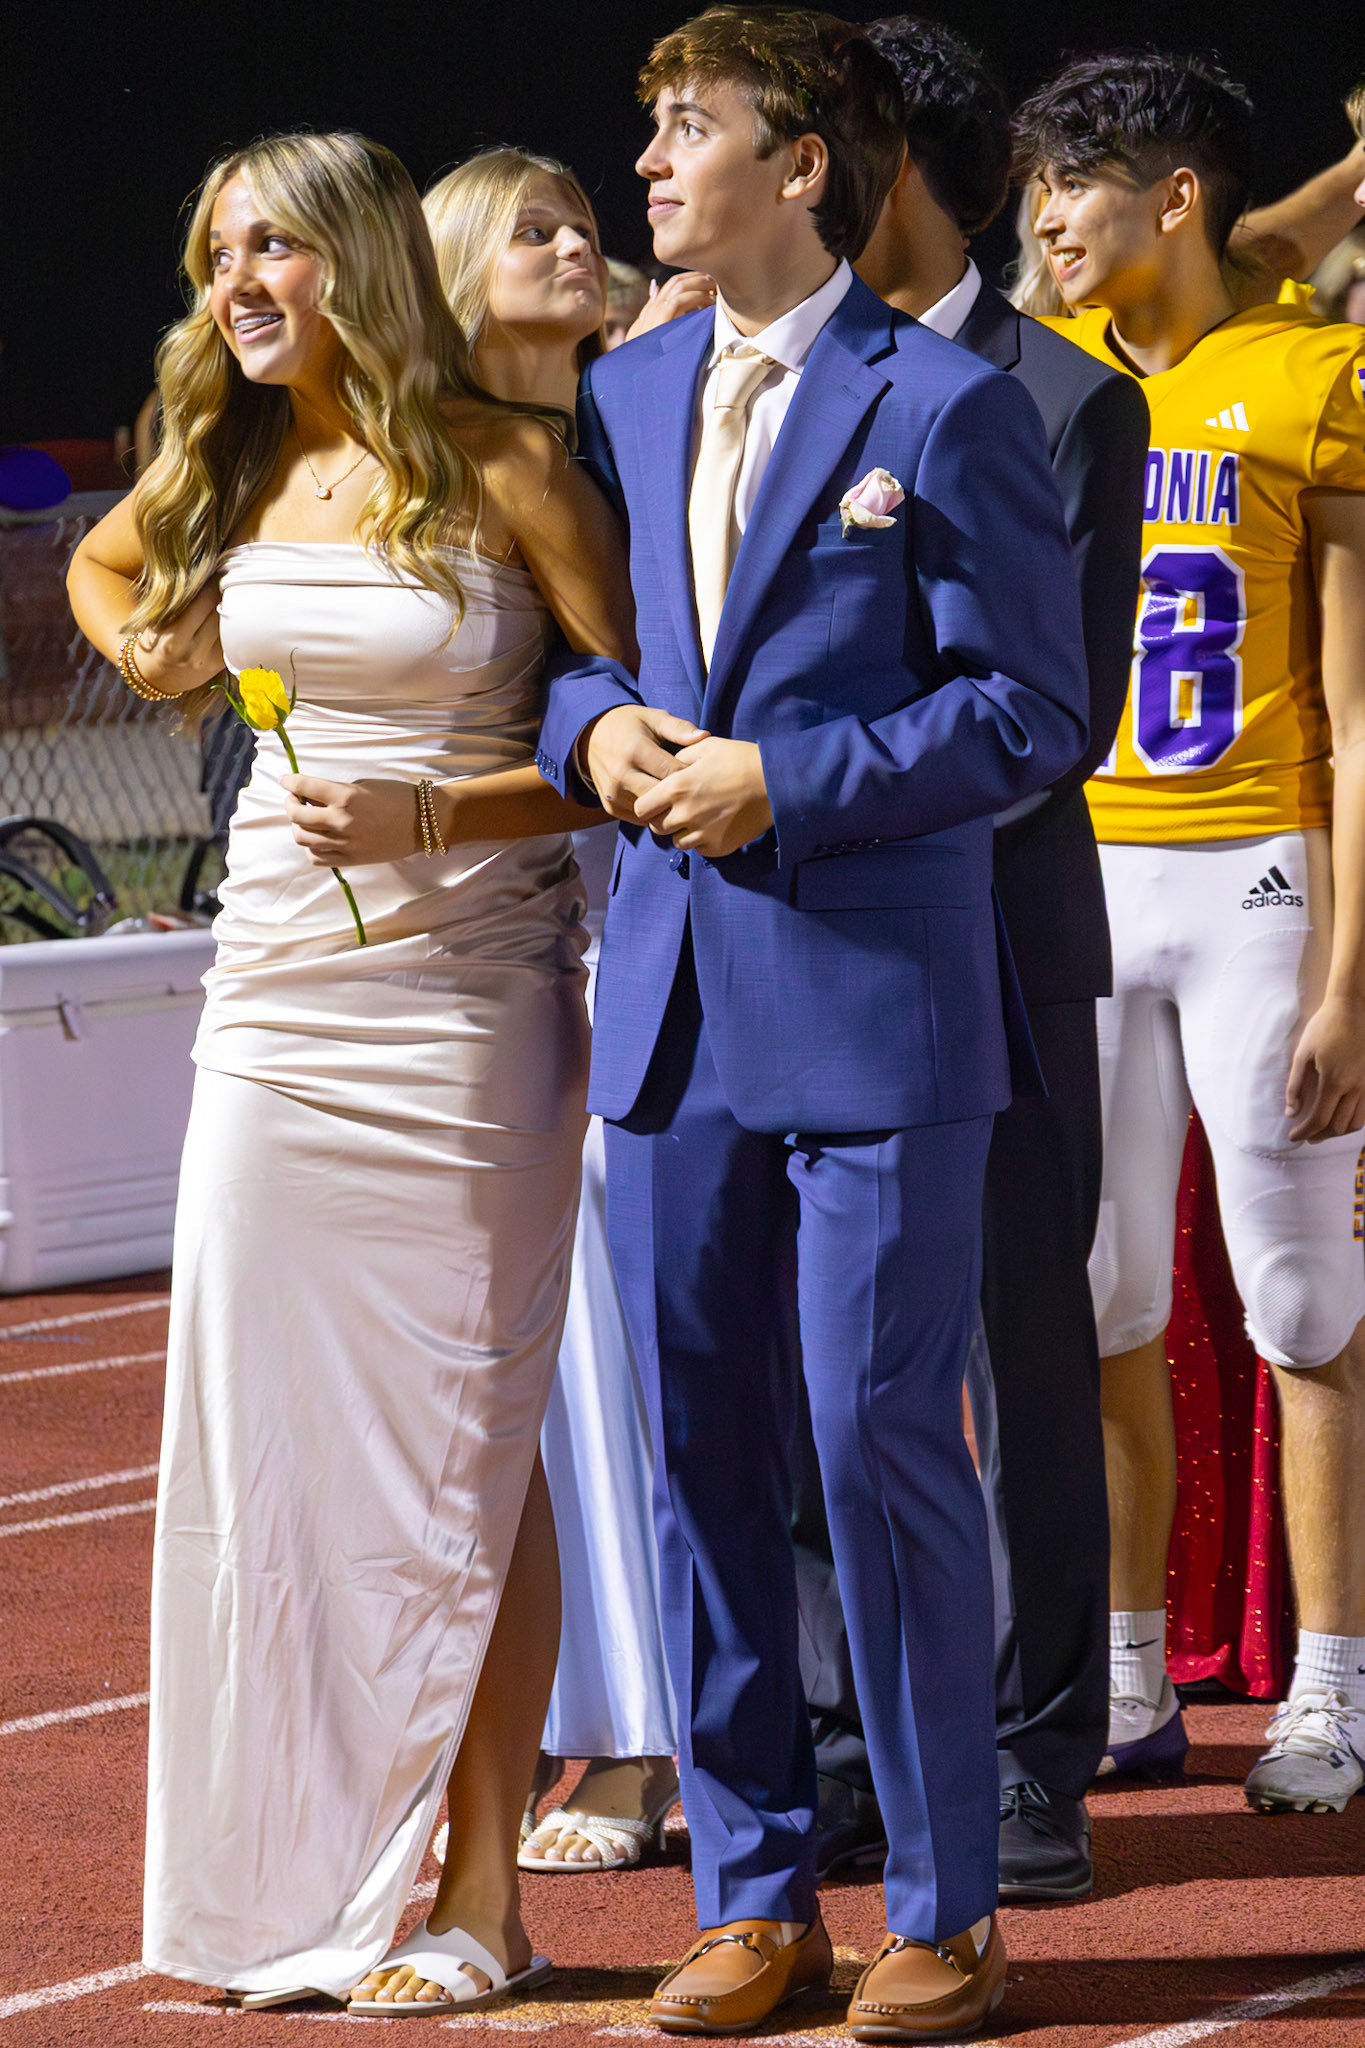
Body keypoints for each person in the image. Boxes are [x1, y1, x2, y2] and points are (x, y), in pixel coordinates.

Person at [536, 8, 1090, 2038]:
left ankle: (944, 1906)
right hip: (674, 1006)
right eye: (649, 126)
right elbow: (577, 654)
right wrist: (596, 736)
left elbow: (1031, 712)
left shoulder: (945, 405)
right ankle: (753, 1895)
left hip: (878, 1010)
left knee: (877, 1445)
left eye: (684, 127)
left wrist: (791, 780)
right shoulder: (624, 386)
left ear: (799, 164)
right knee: (697, 1454)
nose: (646, 163)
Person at [67, 130, 633, 2014]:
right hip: (271, 1004)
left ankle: (483, 1898)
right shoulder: (230, 460)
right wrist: (159, 648)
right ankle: (308, 1876)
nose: (238, 283)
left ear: (362, 259)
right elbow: (103, 569)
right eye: (218, 252)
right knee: (269, 1453)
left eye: (275, 249)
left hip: (468, 1012)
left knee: (466, 1444)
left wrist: (438, 810)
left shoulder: (506, 463)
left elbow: (640, 743)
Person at [786, 12, 1148, 1907]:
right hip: (792, 946)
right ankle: (839, 1747)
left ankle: (1030, 1757)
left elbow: (1044, 719)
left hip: (993, 941)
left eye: (812, 144)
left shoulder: (1065, 398)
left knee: (1017, 1353)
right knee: (808, 1362)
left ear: (887, 164)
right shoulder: (756, 378)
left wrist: (799, 799)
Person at [1017, 51, 1365, 1813]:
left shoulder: (1311, 375)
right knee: (1099, 1294)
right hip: (1082, 874)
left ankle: (1331, 1686)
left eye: (1071, 181)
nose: (1042, 218)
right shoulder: (1039, 373)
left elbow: (1362, 713)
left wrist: (1350, 979)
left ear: (1168, 197)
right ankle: (1127, 1673)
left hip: (1255, 874)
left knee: (1301, 1297)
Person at [423, 144, 680, 1873]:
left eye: (585, 222)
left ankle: (641, 1739)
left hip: (620, 911)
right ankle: (553, 1718)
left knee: (618, 1342)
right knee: (516, 1360)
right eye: (535, 230)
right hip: (463, 936)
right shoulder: (424, 464)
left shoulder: (640, 431)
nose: (579, 243)